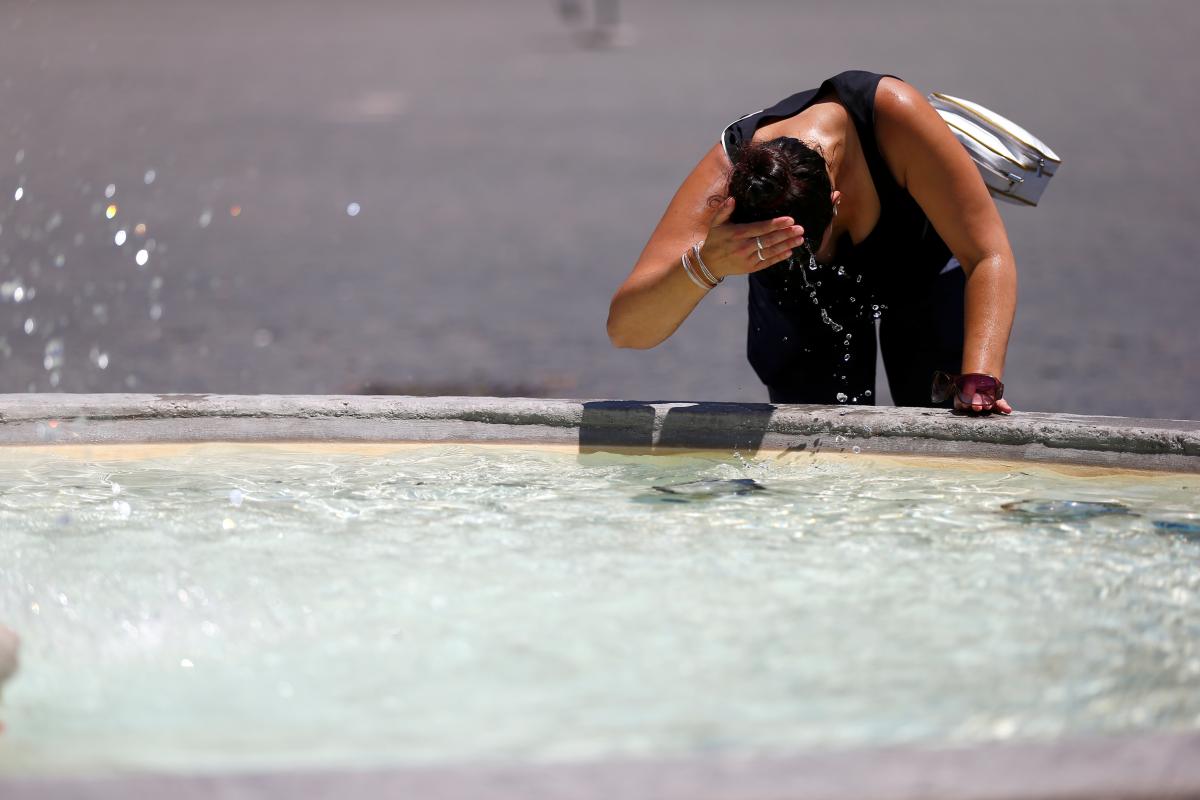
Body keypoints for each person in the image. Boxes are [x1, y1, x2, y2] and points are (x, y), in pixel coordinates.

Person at [607, 70, 1015, 414]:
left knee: (949, 422)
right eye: (773, 252)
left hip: (918, 267)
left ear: (837, 203)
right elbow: (627, 330)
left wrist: (981, 378)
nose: (811, 264)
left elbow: (987, 255)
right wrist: (704, 264)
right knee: (814, 458)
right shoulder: (723, 178)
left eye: (808, 252)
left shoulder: (893, 116)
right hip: (798, 306)